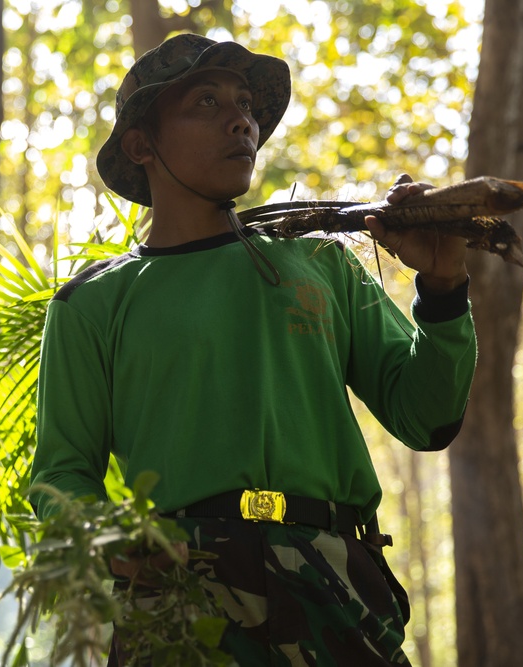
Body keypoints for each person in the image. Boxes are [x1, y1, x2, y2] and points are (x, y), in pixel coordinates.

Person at [29, 33, 477, 665]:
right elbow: (60, 473)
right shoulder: (93, 303)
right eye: (205, 103)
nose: (242, 119)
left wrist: (443, 290)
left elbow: (428, 417)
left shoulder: (320, 262)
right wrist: (113, 540)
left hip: (338, 584)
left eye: (245, 104)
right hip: (178, 596)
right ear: (140, 144)